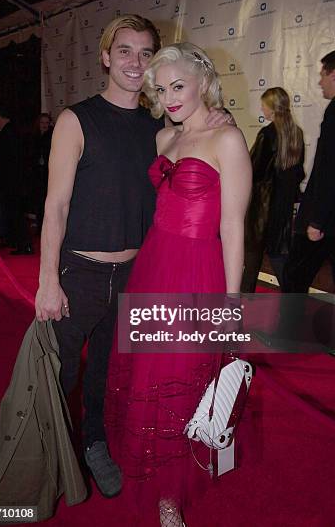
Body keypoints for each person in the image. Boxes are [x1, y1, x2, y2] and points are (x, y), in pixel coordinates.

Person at [34, 15, 232, 501]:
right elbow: (55, 206)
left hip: (136, 275)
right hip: (78, 272)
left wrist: (217, 117)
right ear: (105, 56)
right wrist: (46, 280)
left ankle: (96, 445)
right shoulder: (76, 119)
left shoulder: (161, 126)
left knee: (105, 373)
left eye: (146, 53)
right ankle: (49, 459)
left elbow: (197, 149)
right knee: (58, 373)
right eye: (124, 50)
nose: (135, 61)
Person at [106, 42, 252, 526]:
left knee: (181, 380)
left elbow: (233, 226)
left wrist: (231, 305)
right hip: (153, 264)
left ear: (203, 82)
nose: (168, 97)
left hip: (196, 270)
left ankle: (170, 493)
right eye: (161, 88)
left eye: (178, 86)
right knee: (148, 372)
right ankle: (146, 465)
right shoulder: (162, 139)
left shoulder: (227, 140)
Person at [283, 49, 335, 366]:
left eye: (322, 74)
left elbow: (331, 171)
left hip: (326, 218)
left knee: (294, 274)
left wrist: (317, 219)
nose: (319, 81)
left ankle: (290, 337)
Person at [241, 87, 304, 292]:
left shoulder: (267, 134)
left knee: (252, 257)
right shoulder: (296, 133)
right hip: (283, 205)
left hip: (262, 205)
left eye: (264, 104)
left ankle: (240, 301)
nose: (261, 108)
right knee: (279, 256)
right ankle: (292, 297)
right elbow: (298, 172)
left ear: (272, 108)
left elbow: (253, 170)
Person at [0, 104, 33, 255]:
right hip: (14, 181)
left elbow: (7, 159)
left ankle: (23, 244)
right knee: (14, 212)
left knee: (15, 213)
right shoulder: (10, 131)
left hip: (12, 182)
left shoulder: (8, 133)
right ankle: (18, 242)